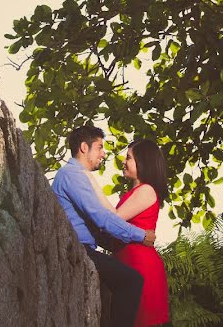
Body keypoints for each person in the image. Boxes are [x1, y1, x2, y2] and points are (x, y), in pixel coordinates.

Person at [52, 125, 156, 327]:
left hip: (83, 248)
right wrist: (141, 235)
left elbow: (92, 224)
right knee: (131, 281)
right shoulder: (72, 175)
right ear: (84, 147)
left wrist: (112, 244)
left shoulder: (75, 175)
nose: (104, 153)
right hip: (77, 249)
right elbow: (101, 218)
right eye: (99, 147)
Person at [99, 139, 170, 327]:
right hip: (129, 263)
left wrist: (91, 188)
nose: (124, 161)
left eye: (129, 158)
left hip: (140, 266)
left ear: (142, 163)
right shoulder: (135, 192)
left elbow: (113, 219)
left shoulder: (146, 190)